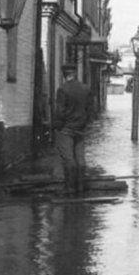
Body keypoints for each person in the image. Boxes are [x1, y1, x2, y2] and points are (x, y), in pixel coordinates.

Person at [53, 64, 93, 194]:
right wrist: (84, 123)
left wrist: (57, 126)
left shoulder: (63, 90)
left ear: (64, 75)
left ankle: (70, 188)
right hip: (80, 128)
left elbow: (60, 112)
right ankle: (80, 186)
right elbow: (90, 110)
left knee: (68, 158)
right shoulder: (85, 89)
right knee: (80, 158)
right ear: (75, 74)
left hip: (66, 129)